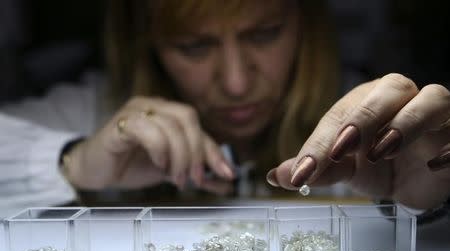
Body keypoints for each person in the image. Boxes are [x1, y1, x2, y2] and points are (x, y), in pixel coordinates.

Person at [0, 0, 449, 218]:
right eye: (194, 46)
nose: (236, 82)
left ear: (306, 26)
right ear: (148, 47)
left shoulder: (374, 122)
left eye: (264, 34)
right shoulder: (97, 108)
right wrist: (71, 161)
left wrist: (431, 200)